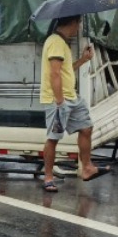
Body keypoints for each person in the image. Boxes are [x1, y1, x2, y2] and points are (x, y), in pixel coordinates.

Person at [39, 15, 104, 192]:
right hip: (58, 100)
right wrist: (60, 101)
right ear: (73, 23)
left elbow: (65, 70)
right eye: (79, 24)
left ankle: (87, 167)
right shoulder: (55, 42)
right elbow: (54, 74)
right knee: (53, 138)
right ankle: (48, 176)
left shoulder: (62, 43)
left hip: (72, 97)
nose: (79, 28)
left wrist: (83, 60)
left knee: (86, 128)